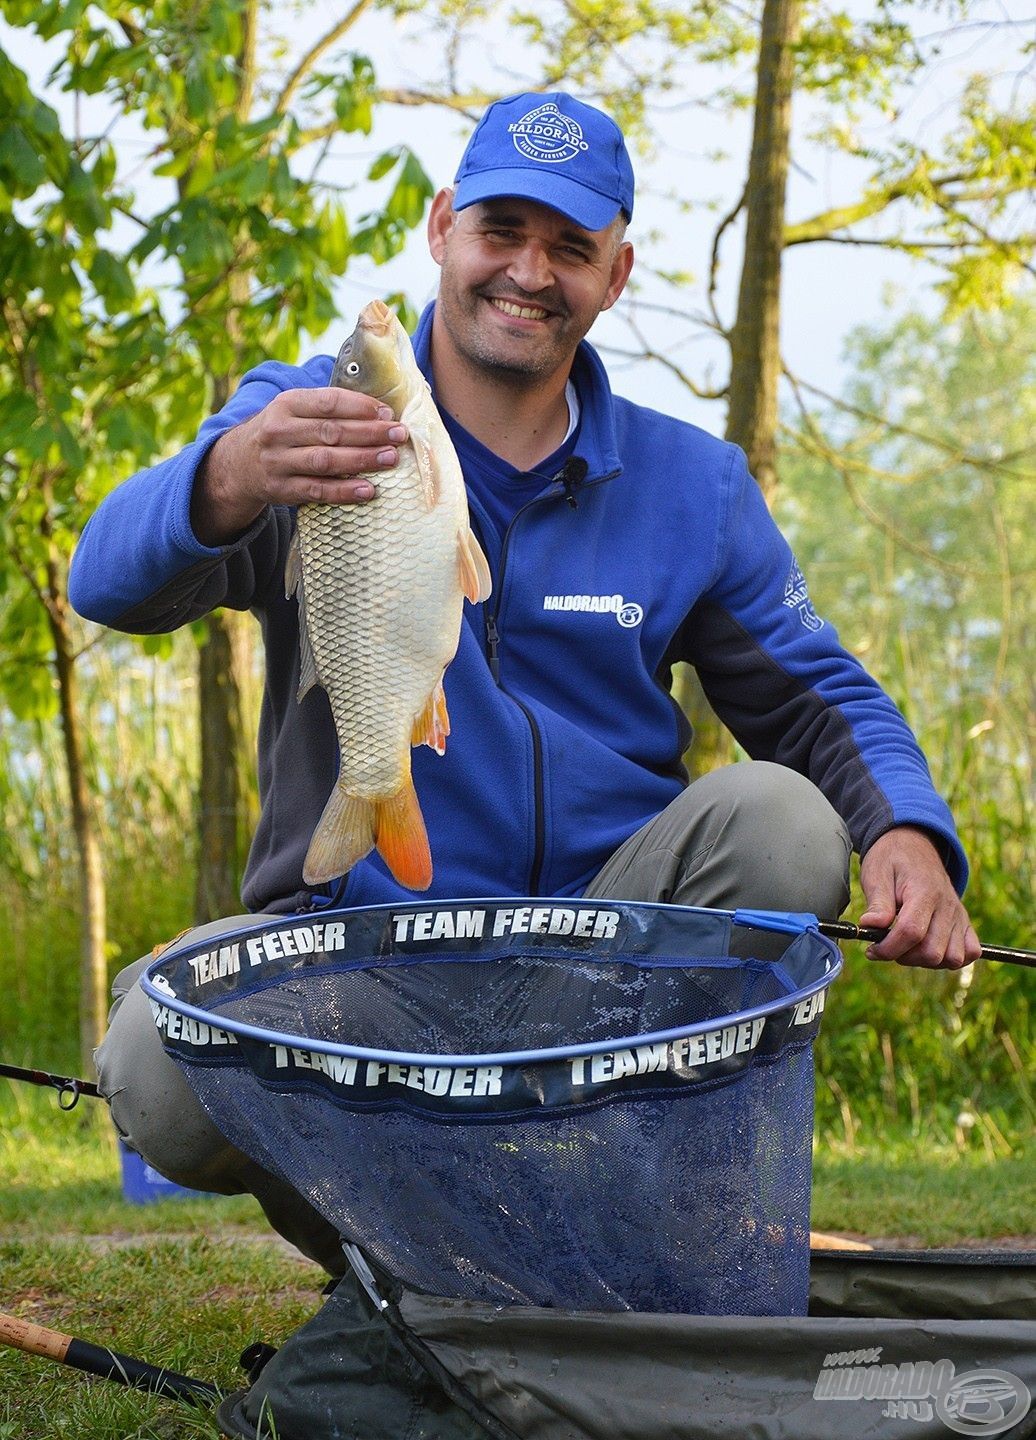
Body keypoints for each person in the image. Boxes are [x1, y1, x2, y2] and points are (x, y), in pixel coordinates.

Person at [69, 93, 979, 1273]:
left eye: (570, 247)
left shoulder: (690, 483)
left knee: (784, 821)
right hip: (369, 958)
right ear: (443, 227)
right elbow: (108, 579)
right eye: (501, 229)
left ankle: (576, 1221)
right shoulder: (317, 422)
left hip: (609, 953)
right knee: (155, 1064)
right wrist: (229, 474)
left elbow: (813, 693)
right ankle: (429, 1253)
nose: (528, 271)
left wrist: (904, 825)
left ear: (617, 272)